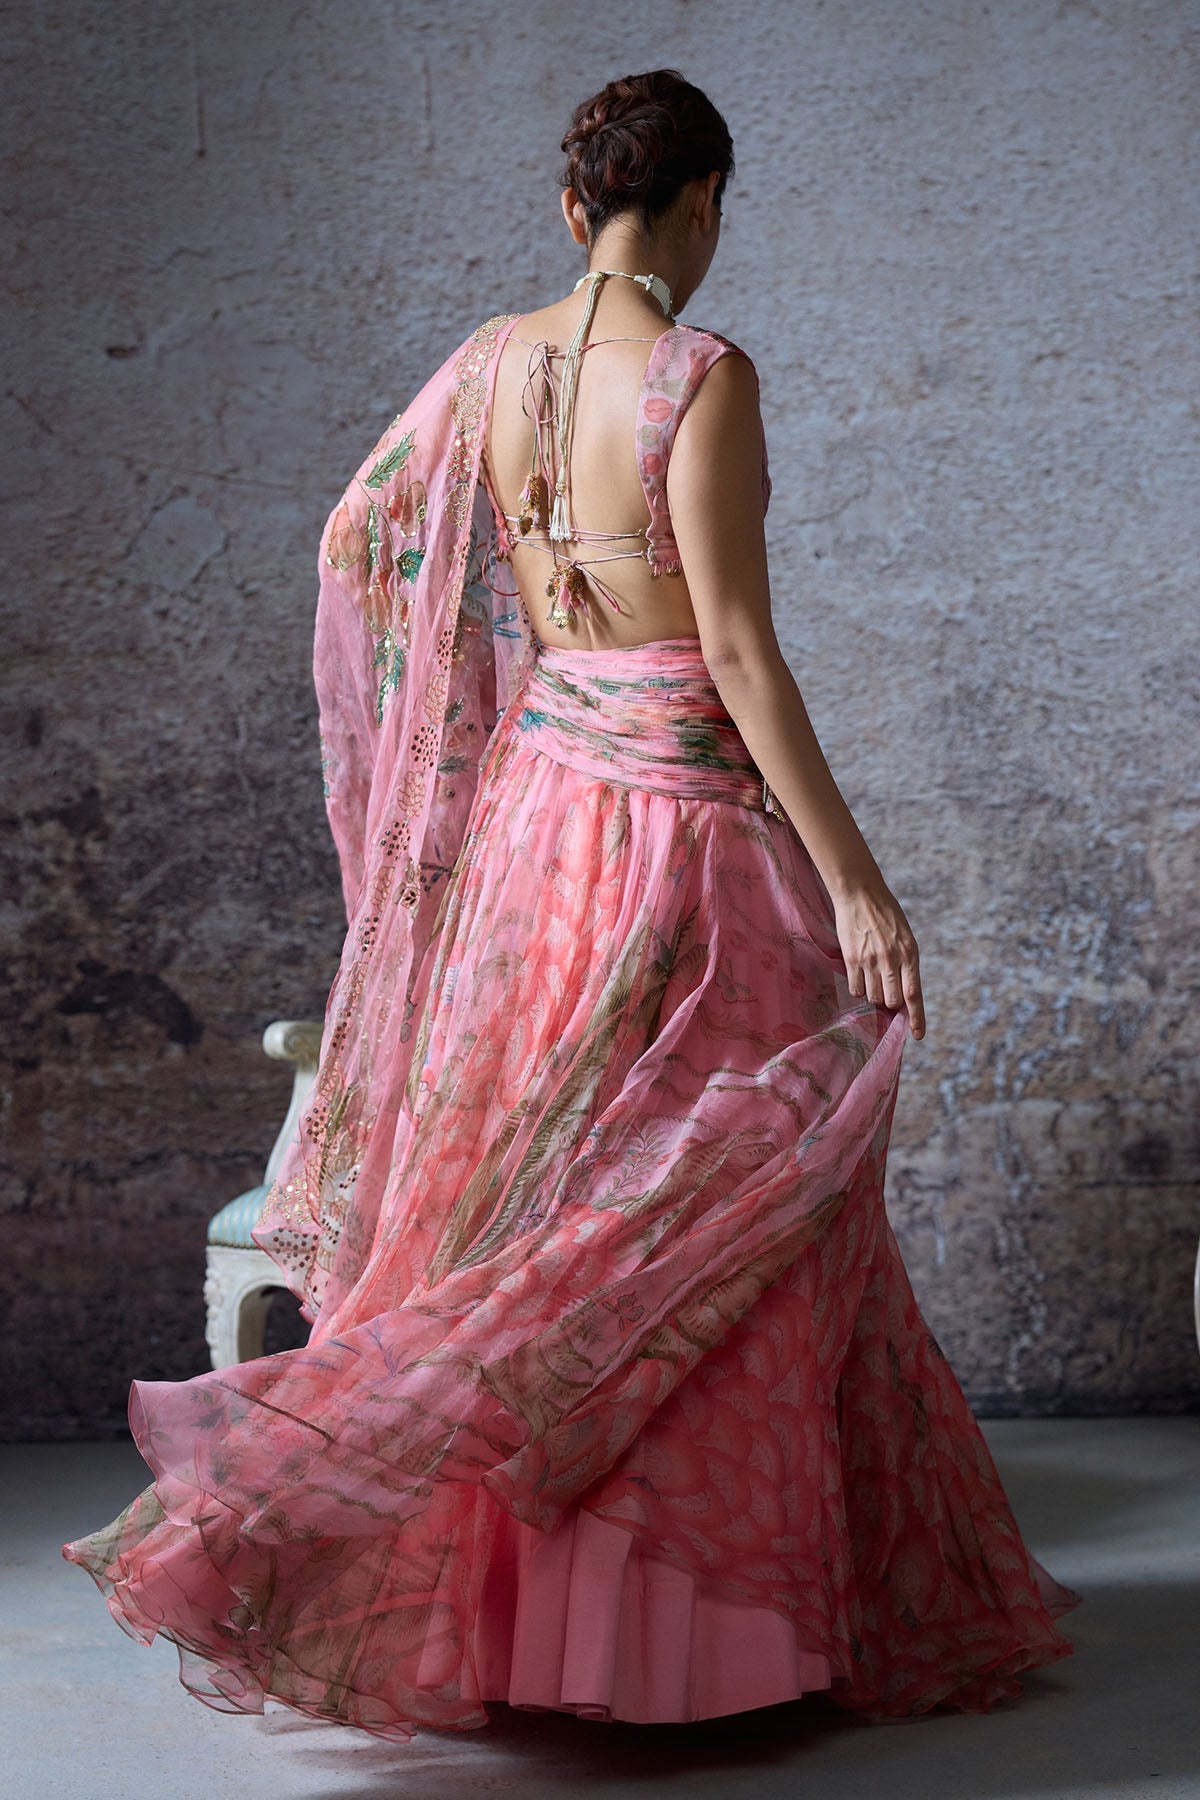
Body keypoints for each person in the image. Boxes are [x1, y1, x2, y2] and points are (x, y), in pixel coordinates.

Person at [63, 68, 1079, 1742]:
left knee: (552, 1207)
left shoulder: (487, 365)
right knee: (702, 1215)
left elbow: (361, 542)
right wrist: (859, 884)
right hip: (683, 836)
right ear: (705, 203)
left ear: (569, 207)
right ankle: (696, 1652)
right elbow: (735, 649)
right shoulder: (700, 376)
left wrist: (487, 698)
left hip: (538, 829)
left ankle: (535, 1647)